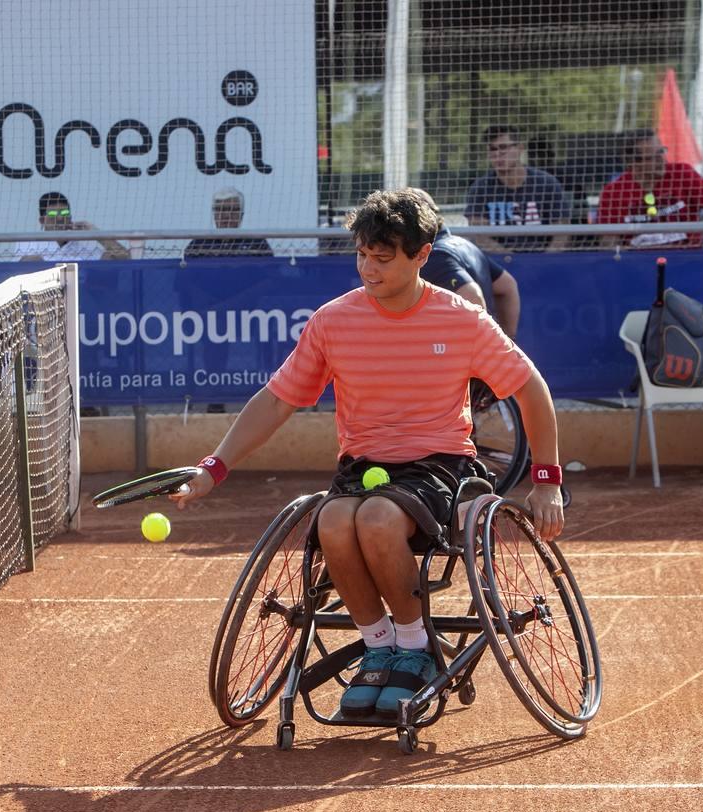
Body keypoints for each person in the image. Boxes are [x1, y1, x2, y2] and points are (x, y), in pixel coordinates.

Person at [170, 188, 564, 718]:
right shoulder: (334, 321)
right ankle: (379, 645)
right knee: (333, 522)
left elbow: (531, 388)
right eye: (361, 255)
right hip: (363, 466)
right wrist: (213, 468)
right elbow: (276, 400)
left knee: (377, 519)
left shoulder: (461, 318)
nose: (368, 269)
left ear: (422, 255)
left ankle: (415, 645)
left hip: (440, 466)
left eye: (383, 258)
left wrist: (546, 480)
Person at [409, 188, 521, 339]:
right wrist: (509, 339)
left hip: (458, 355)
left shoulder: (434, 256)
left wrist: (475, 345)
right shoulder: (464, 245)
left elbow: (472, 296)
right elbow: (507, 286)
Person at [598, 128, 703, 250]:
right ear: (633, 163)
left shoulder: (682, 173)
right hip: (639, 265)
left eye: (661, 151)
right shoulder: (613, 193)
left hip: (687, 261)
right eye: (652, 157)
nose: (661, 160)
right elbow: (609, 242)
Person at [464, 125, 571, 253]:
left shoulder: (546, 184)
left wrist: (544, 261)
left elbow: (562, 232)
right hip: (497, 263)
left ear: (520, 148)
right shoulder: (480, 188)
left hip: (542, 260)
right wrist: (510, 260)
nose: (497, 154)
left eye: (503, 147)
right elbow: (479, 235)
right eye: (492, 149)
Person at [15, 192, 130, 261]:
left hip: (84, 297)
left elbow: (125, 258)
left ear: (70, 217)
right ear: (42, 220)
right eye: (53, 214)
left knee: (108, 257)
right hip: (43, 298)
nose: (60, 218)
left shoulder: (84, 245)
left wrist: (95, 232)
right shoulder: (28, 243)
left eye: (64, 214)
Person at [183, 187, 274, 258]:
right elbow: (185, 278)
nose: (226, 215)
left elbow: (272, 277)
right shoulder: (199, 244)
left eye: (233, 210)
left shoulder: (257, 243)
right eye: (221, 209)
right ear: (214, 214)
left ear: (241, 215)